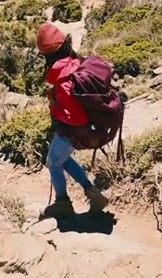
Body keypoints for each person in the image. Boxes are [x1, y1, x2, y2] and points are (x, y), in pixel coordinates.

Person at [37, 22, 109, 219]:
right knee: (63, 159)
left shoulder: (62, 81)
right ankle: (92, 192)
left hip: (76, 131)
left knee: (53, 163)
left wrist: (55, 106)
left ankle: (63, 203)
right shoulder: (74, 62)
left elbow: (75, 118)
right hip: (89, 127)